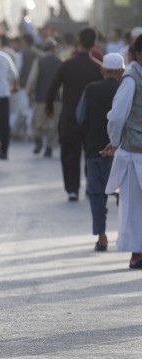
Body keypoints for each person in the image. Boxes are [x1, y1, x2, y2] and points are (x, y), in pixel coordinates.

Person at [46, 28, 103, 202]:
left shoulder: (66, 65)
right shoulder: (98, 68)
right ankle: (91, 186)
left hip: (70, 116)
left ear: (78, 42)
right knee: (92, 154)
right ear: (94, 44)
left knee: (70, 152)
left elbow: (52, 88)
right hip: (92, 119)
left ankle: (72, 189)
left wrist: (49, 107)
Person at [76, 53, 125, 251]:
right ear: (122, 71)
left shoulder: (90, 89)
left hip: (94, 149)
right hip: (122, 152)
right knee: (125, 197)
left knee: (97, 194)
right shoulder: (127, 90)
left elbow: (80, 117)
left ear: (102, 70)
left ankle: (102, 236)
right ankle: (127, 236)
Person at [104, 35, 142, 269]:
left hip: (133, 150)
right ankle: (137, 252)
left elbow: (117, 117)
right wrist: (116, 141)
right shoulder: (131, 78)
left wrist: (115, 141)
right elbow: (118, 117)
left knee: (133, 206)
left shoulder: (131, 79)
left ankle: (138, 253)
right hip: (135, 153)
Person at [26, 37, 61, 158]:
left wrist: (29, 92)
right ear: (53, 49)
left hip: (40, 97)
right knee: (52, 123)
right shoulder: (60, 61)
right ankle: (49, 147)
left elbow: (33, 80)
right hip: (56, 99)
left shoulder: (39, 61)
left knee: (37, 121)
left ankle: (38, 140)